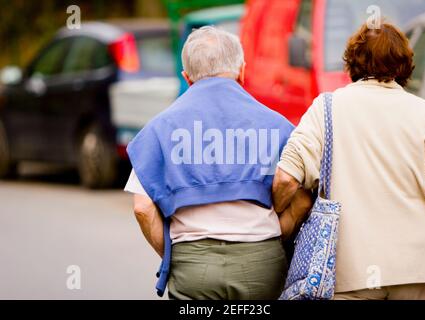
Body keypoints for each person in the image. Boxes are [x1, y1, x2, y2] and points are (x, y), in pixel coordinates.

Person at [124, 26, 311, 300]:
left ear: (187, 78)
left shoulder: (158, 129)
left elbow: (142, 208)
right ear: (242, 72)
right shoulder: (279, 127)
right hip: (261, 262)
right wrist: (276, 234)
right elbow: (303, 197)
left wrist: (175, 254)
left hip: (192, 265)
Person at [272, 22, 425, 300]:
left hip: (349, 271)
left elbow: (286, 178)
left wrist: (277, 217)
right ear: (404, 63)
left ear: (353, 61)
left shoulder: (326, 108)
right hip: (417, 270)